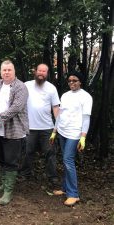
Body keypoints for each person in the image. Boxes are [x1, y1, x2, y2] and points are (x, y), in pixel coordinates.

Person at [0, 60, 29, 205]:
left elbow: (16, 107)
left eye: (9, 70)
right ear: (0, 71)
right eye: (4, 70)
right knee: (1, 158)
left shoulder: (20, 87)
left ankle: (8, 192)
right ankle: (3, 185)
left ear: (14, 71)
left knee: (11, 161)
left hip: (14, 130)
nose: (6, 72)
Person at [50, 71, 93, 206]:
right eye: (69, 81)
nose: (72, 83)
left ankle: (74, 194)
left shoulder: (86, 97)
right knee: (65, 160)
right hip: (62, 131)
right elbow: (60, 115)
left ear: (80, 81)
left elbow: (86, 119)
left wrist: (83, 137)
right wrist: (54, 131)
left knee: (68, 160)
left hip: (75, 133)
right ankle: (65, 188)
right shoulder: (65, 95)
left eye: (75, 80)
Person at [20, 64, 60, 187]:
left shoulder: (51, 88)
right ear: (35, 71)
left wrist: (57, 125)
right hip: (29, 127)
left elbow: (55, 107)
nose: (41, 73)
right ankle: (25, 174)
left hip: (47, 127)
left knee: (50, 152)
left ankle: (52, 177)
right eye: (39, 70)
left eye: (44, 71)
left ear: (47, 73)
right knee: (27, 151)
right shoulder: (26, 85)